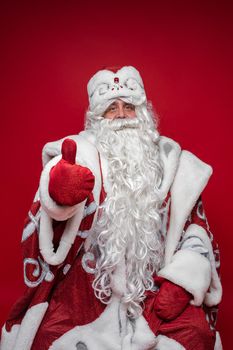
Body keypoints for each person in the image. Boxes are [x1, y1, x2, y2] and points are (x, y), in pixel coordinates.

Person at [0, 66, 222, 350]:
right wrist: (61, 194)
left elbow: (195, 229)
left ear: (142, 113)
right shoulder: (80, 155)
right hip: (87, 291)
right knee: (49, 337)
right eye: (111, 109)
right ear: (97, 118)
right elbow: (51, 215)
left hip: (153, 290)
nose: (120, 115)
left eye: (129, 107)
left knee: (195, 333)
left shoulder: (171, 163)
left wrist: (181, 283)